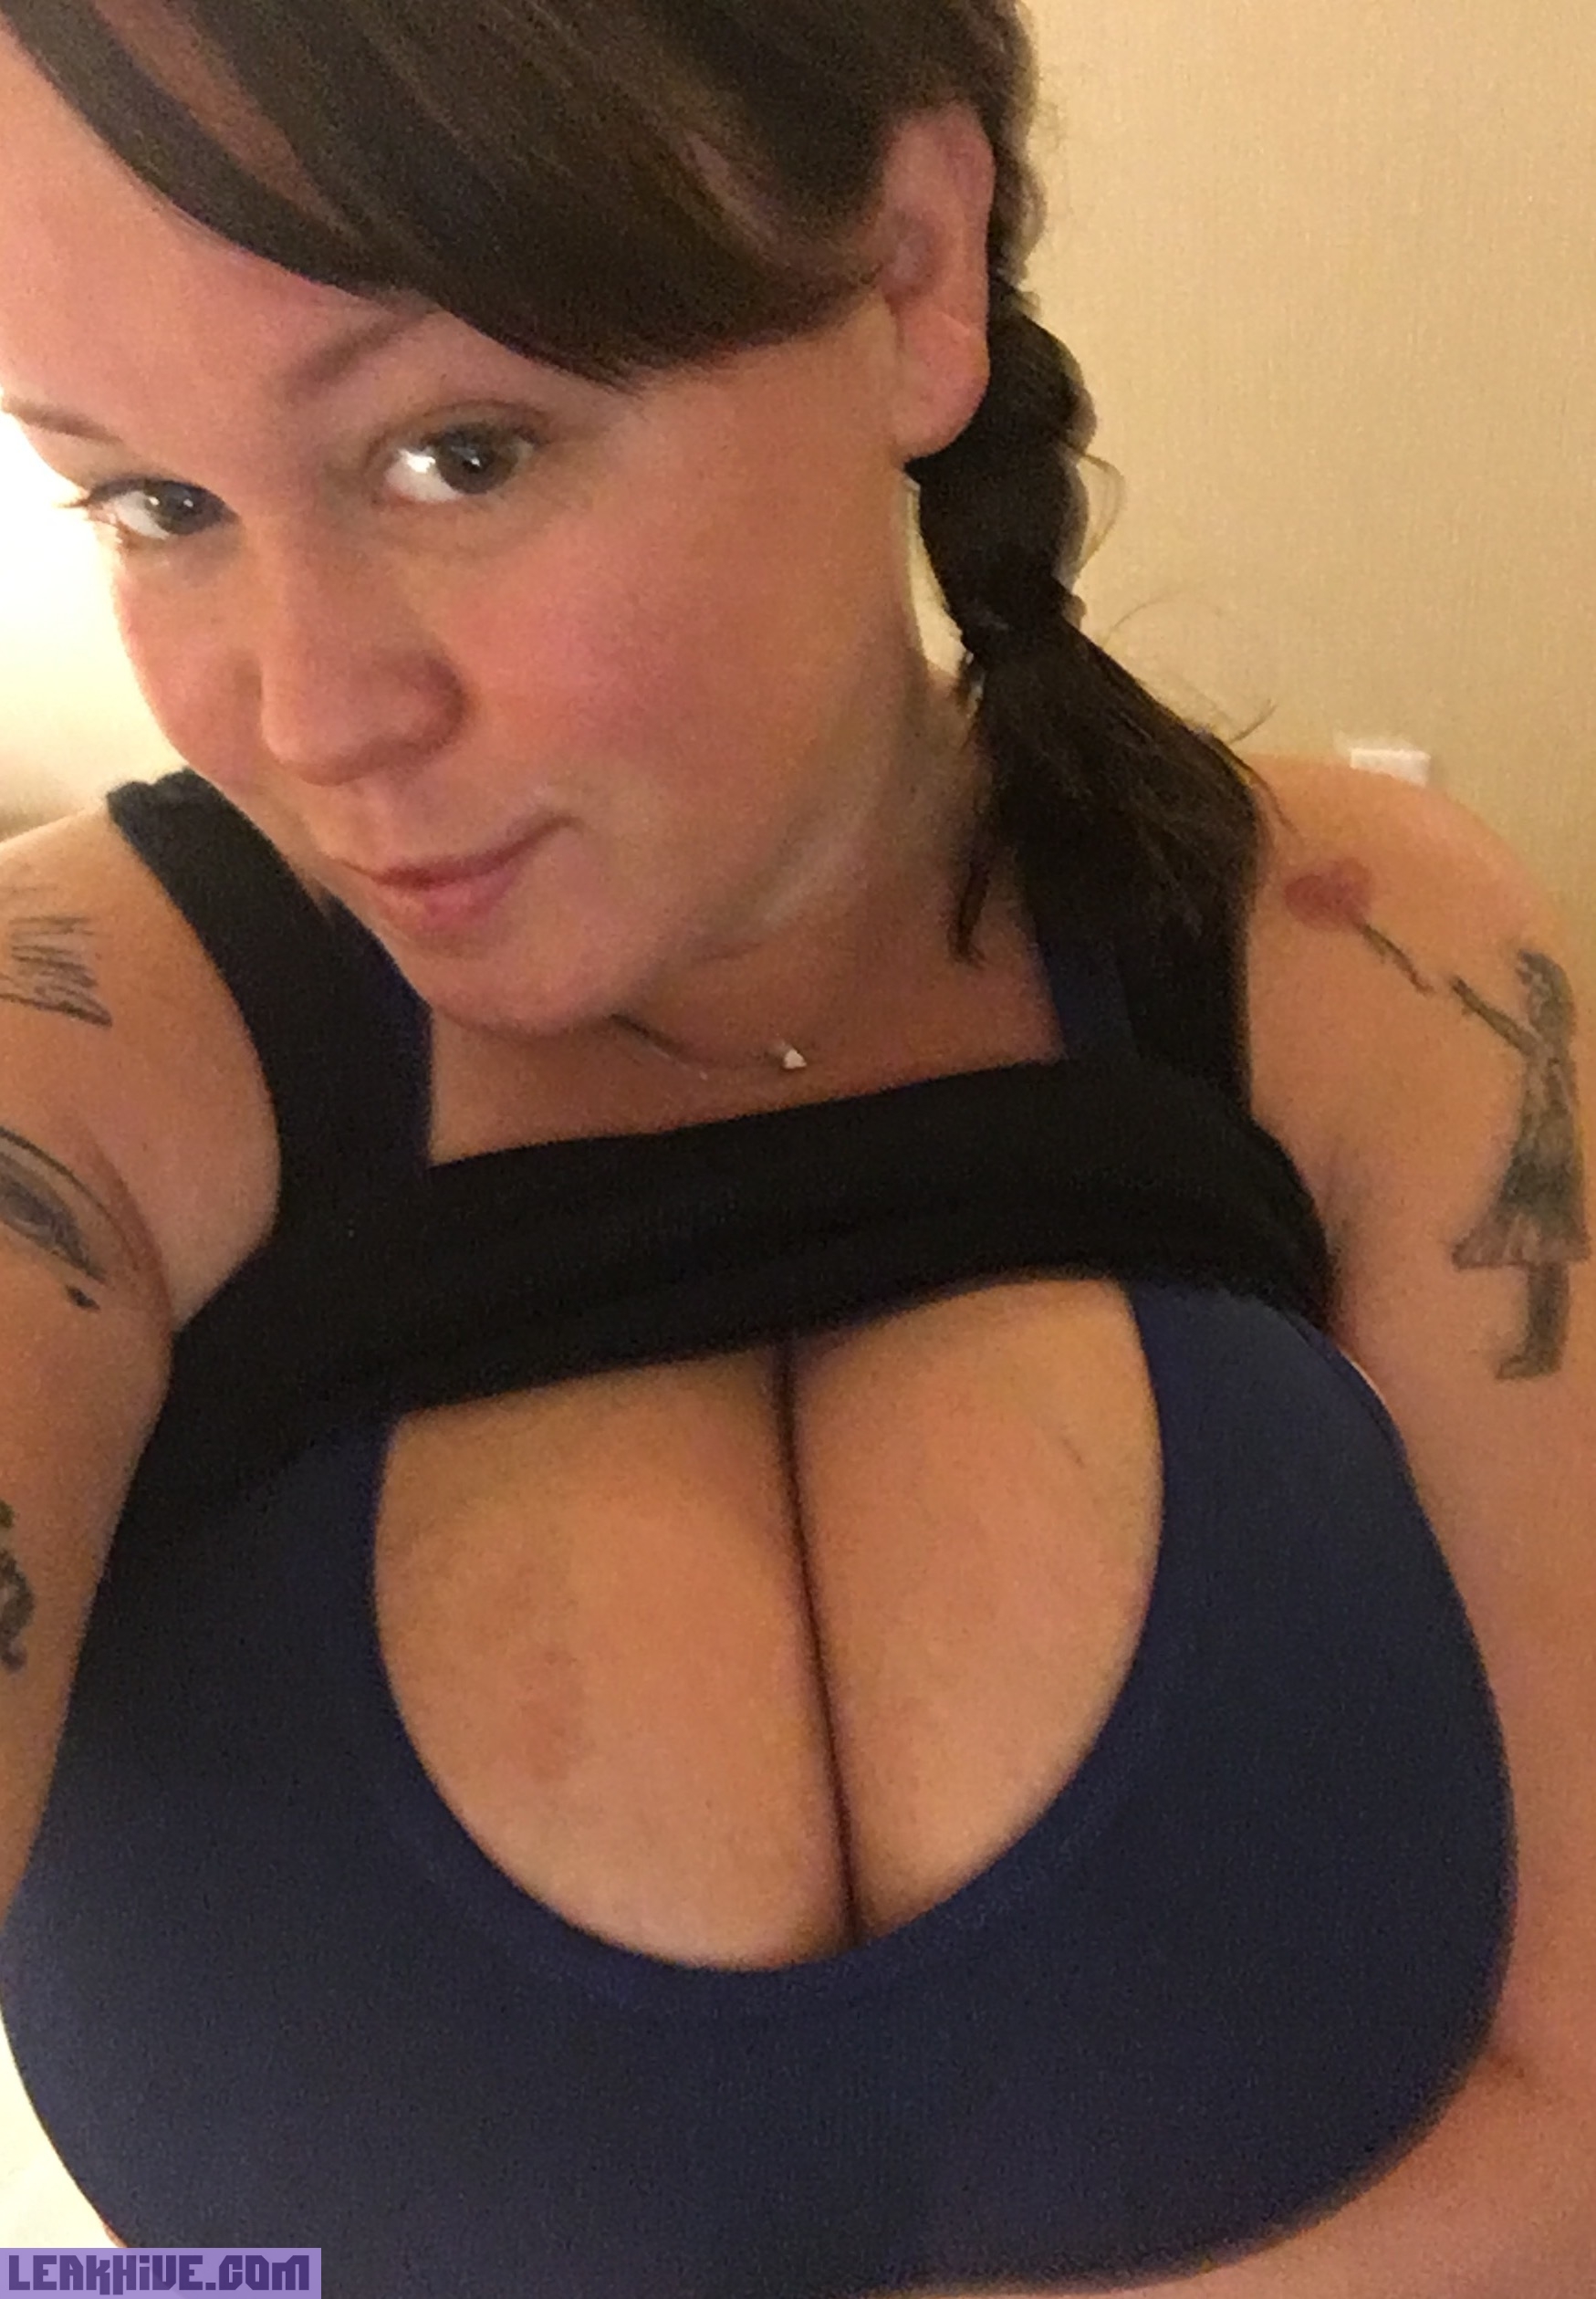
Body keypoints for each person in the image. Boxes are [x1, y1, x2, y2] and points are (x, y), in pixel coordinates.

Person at [0, 1, 1586, 2293]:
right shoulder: (75, 1057)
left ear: (911, 275)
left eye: (457, 453)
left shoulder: (1363, 962)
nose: (307, 715)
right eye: (154, 506)